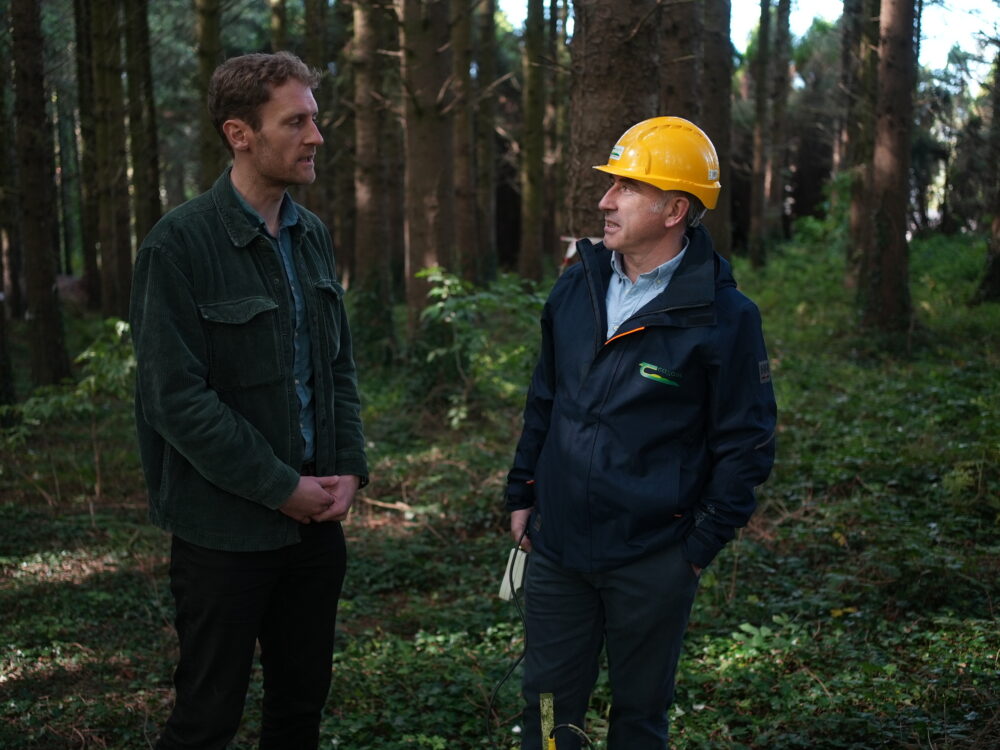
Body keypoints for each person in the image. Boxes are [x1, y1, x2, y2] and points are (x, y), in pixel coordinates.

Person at [505, 116, 777, 749]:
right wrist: (522, 488)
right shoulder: (578, 283)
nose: (604, 201)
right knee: (546, 709)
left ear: (675, 208)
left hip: (654, 558)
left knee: (639, 719)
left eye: (626, 187)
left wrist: (695, 549)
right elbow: (545, 395)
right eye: (611, 186)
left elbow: (748, 442)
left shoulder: (724, 316)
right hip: (558, 550)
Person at [129, 51, 367, 750]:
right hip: (222, 535)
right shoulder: (179, 245)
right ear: (240, 134)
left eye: (314, 120)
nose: (316, 137)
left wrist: (348, 465)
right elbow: (175, 399)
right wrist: (277, 486)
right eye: (295, 122)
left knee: (298, 713)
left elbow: (338, 368)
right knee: (207, 719)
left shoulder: (311, 235)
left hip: (316, 528)